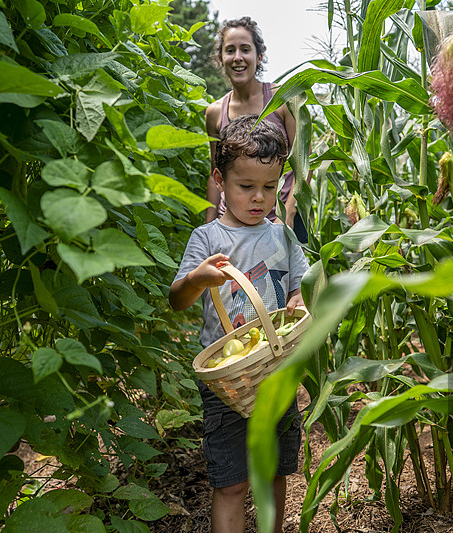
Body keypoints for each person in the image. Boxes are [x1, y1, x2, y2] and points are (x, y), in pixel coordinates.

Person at [169, 114, 308, 533]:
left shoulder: (282, 235)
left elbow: (302, 285)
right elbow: (177, 300)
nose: (258, 199)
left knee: (274, 473)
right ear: (219, 179)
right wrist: (197, 278)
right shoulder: (208, 239)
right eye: (246, 186)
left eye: (269, 188)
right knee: (231, 483)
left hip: (276, 370)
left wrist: (300, 301)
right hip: (228, 384)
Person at [204, 16, 308, 243]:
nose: (238, 57)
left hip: (281, 221)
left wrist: (287, 216)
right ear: (220, 58)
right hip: (232, 227)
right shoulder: (214, 112)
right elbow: (215, 174)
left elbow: (304, 164)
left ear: (258, 57)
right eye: (230, 50)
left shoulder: (282, 99)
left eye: (245, 49)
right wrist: (209, 225)